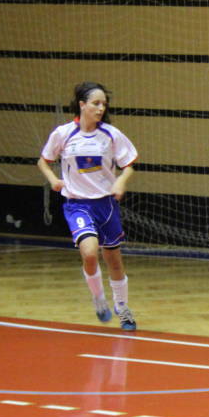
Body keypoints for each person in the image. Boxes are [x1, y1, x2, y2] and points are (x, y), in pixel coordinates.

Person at [37, 81, 139, 330]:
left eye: (104, 104)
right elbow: (43, 161)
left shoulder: (111, 135)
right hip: (78, 205)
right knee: (90, 253)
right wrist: (54, 180)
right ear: (82, 105)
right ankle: (98, 298)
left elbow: (129, 166)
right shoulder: (64, 133)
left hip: (106, 204)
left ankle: (122, 307)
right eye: (96, 103)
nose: (101, 108)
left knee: (113, 259)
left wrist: (121, 181)